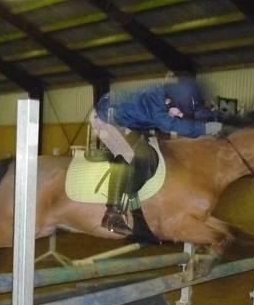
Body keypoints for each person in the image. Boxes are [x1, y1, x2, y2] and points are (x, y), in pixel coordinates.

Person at [92, 77, 223, 235]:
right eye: (179, 111)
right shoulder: (154, 103)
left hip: (127, 121)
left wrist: (217, 118)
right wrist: (206, 129)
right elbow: (171, 125)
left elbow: (195, 112)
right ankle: (112, 214)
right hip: (105, 119)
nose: (180, 115)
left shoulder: (173, 97)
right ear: (168, 101)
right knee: (129, 154)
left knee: (150, 150)